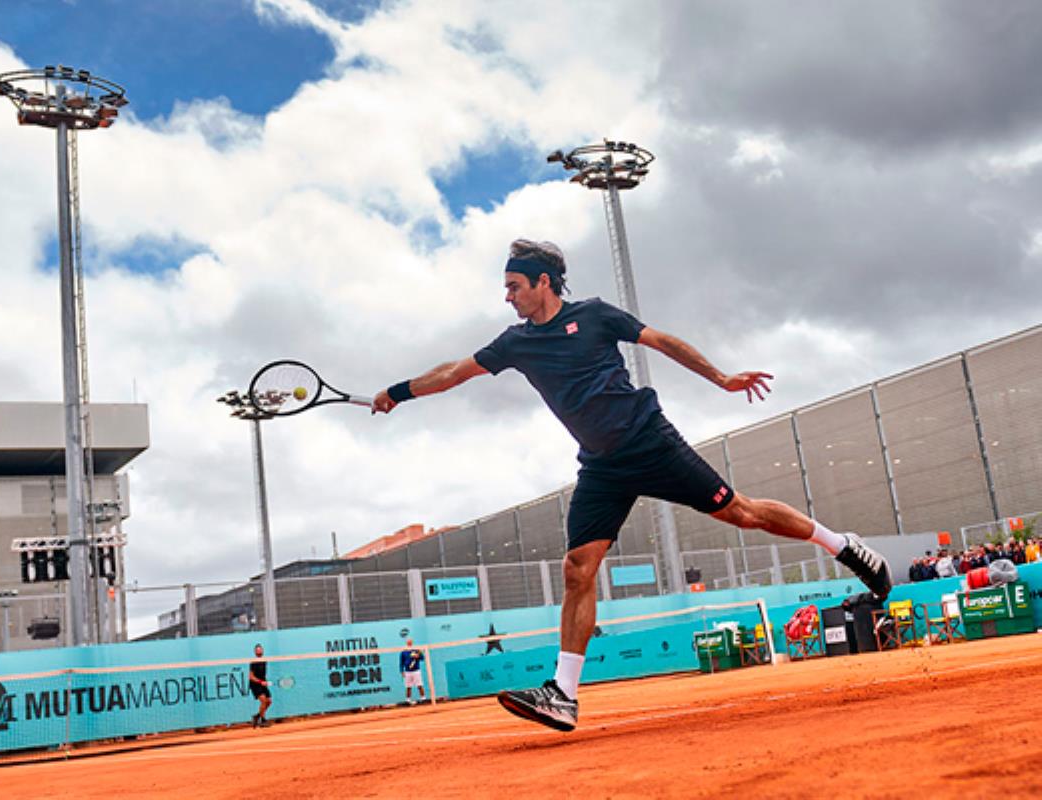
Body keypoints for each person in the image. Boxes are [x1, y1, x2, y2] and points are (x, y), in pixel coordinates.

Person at [372, 239, 892, 733]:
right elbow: (452, 373)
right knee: (578, 568)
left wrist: (721, 378)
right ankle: (564, 694)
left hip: (651, 443)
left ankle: (843, 545)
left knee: (743, 513)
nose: (507, 296)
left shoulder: (595, 315)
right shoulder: (516, 344)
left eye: (514, 286)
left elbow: (660, 340)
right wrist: (396, 393)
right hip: (601, 467)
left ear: (544, 282)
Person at [248, 643, 272, 728]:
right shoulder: (253, 662)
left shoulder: (264, 661)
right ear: (255, 652)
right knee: (263, 700)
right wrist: (260, 682)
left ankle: (257, 716)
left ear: (263, 651)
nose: (259, 651)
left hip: (262, 683)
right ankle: (263, 720)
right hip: (255, 684)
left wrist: (265, 682)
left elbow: (262, 674)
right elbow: (251, 677)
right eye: (257, 650)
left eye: (260, 649)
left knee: (269, 701)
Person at [399, 639, 426, 704]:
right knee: (408, 686)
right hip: (408, 672)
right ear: (406, 643)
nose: (409, 643)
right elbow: (401, 662)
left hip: (416, 671)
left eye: (410, 642)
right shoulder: (403, 652)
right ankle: (408, 700)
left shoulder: (417, 650)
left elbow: (422, 658)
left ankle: (423, 699)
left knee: (419, 685)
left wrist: (418, 656)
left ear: (412, 643)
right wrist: (402, 671)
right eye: (408, 642)